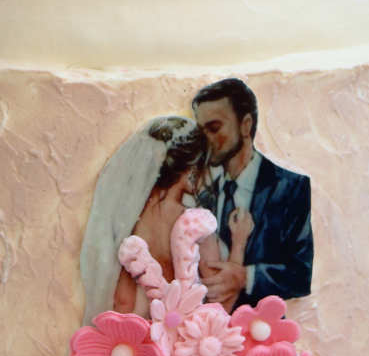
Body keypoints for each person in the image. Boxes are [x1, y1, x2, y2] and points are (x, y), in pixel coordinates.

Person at [79, 117, 252, 321]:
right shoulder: (196, 224)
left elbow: (122, 302)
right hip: (186, 336)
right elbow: (220, 302)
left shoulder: (127, 221)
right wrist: (239, 244)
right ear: (192, 170)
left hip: (140, 335)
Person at [192, 77, 313, 307]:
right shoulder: (202, 195)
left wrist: (245, 277)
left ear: (246, 125)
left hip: (265, 325)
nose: (205, 140)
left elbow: (301, 276)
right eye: (201, 132)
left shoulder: (289, 188)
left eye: (214, 128)